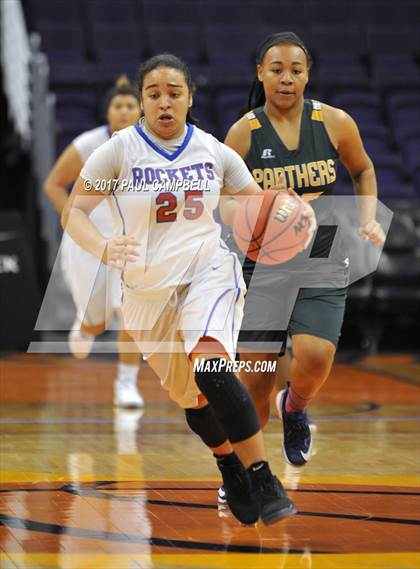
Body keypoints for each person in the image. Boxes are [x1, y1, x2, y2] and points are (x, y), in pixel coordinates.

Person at [61, 53, 317, 525]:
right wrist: (101, 246)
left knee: (214, 370)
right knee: (194, 402)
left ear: (189, 98)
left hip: (208, 271)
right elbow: (72, 212)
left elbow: (254, 202)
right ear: (141, 101)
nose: (164, 103)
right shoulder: (116, 151)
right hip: (144, 293)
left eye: (174, 94)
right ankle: (229, 467)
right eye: (154, 94)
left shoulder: (213, 150)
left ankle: (261, 475)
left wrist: (290, 210)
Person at [221, 32, 385, 468]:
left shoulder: (334, 122)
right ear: (261, 73)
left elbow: (363, 168)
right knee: (254, 380)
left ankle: (294, 408)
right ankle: (245, 474)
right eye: (276, 70)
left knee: (315, 355)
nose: (286, 79)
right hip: (262, 261)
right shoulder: (243, 133)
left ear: (307, 75)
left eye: (296, 70)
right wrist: (258, 208)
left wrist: (367, 216)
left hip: (324, 248)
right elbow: (220, 198)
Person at [44, 76, 144, 408]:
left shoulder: (149, 146)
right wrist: (75, 220)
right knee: (98, 319)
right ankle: (86, 325)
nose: (125, 111)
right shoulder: (88, 145)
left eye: (131, 105)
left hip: (128, 241)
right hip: (89, 241)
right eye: (119, 106)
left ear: (141, 111)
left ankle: (126, 384)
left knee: (129, 313)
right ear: (108, 113)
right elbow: (54, 185)